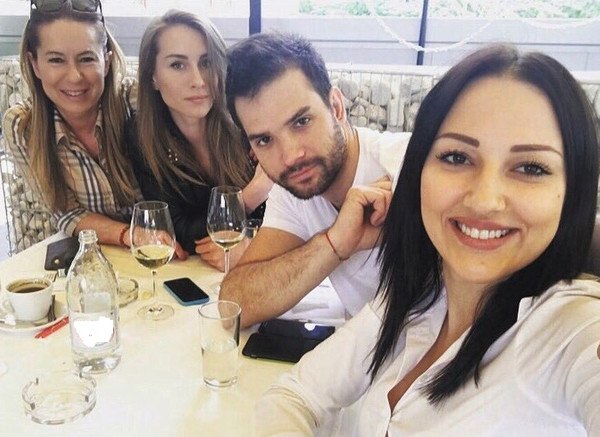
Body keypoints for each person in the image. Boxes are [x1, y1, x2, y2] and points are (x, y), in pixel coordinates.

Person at [255, 44, 600, 435]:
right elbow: (295, 394)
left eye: (531, 168)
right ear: (418, 169)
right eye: (456, 157)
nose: (485, 200)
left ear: (572, 191)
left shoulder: (566, 332)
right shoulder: (416, 294)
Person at [222, 33, 411, 328]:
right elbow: (233, 306)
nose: (290, 157)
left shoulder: (406, 166)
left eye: (301, 122)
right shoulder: (292, 189)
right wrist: (335, 243)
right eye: (264, 140)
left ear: (336, 106)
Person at [126, 10, 271, 268]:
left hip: (268, 264)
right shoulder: (142, 135)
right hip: (197, 272)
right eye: (177, 65)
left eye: (206, 63)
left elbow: (297, 211)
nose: (198, 80)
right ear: (152, 77)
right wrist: (252, 195)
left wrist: (250, 244)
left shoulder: (248, 116)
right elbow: (177, 230)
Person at [2, 0, 142, 248]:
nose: (75, 76)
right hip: (99, 253)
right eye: (56, 60)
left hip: (170, 250)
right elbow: (67, 213)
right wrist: (132, 236)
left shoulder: (136, 102)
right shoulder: (22, 127)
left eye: (86, 59)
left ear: (106, 61)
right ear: (35, 64)